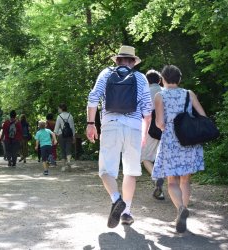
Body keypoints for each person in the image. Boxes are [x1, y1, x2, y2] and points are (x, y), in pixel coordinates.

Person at [86, 45, 153, 228]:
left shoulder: (106, 74)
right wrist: (144, 133)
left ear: (117, 60)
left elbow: (93, 98)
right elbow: (147, 111)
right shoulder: (140, 78)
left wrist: (91, 124)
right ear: (133, 62)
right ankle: (126, 213)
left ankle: (116, 199)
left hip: (111, 125)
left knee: (106, 170)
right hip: (134, 128)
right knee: (131, 171)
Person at [152, 65, 205, 233]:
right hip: (188, 141)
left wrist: (165, 126)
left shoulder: (160, 96)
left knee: (172, 181)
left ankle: (180, 208)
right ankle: (182, 211)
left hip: (170, 142)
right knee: (185, 180)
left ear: (162, 80)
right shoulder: (189, 94)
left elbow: (160, 123)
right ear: (179, 79)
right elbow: (203, 117)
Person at [141, 70, 165, 200]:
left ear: (147, 81)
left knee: (145, 157)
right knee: (160, 159)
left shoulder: (145, 93)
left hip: (150, 129)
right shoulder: (165, 91)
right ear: (160, 80)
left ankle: (156, 179)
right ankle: (160, 191)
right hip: (166, 129)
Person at [54, 103, 75, 171]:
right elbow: (72, 127)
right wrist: (73, 136)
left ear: (61, 109)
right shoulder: (70, 116)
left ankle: (63, 166)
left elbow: (56, 128)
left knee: (63, 150)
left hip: (61, 135)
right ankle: (68, 161)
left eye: (58, 109)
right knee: (68, 149)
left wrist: (54, 137)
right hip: (69, 135)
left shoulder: (59, 116)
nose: (58, 110)